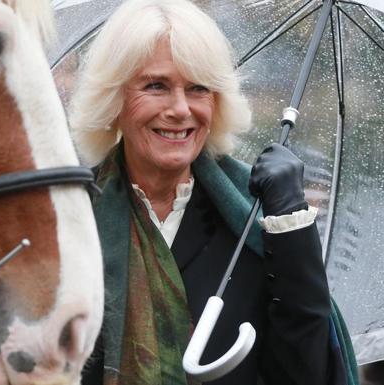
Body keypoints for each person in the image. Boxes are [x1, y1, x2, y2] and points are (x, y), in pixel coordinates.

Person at [69, 1, 358, 384]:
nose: (180, 109)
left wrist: (291, 228)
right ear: (114, 98)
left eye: (198, 88)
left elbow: (309, 374)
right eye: (156, 86)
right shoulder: (69, 220)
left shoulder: (251, 221)